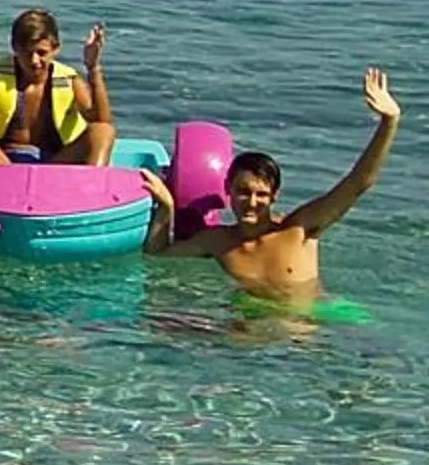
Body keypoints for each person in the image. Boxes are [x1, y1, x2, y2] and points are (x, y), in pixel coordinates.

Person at [141, 70, 399, 304]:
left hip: (307, 323)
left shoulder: (299, 229)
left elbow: (359, 182)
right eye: (243, 192)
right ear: (227, 190)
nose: (252, 202)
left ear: (274, 197)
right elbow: (157, 254)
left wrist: (389, 123)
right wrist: (166, 207)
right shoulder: (219, 242)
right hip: (253, 322)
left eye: (262, 194)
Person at [0, 8, 116, 166]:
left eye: (41, 53)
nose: (34, 61)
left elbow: (101, 120)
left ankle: (93, 183)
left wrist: (93, 68)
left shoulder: (69, 81)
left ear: (55, 49)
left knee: (103, 131)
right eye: (27, 53)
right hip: (3, 163)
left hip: (54, 164)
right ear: (15, 48)